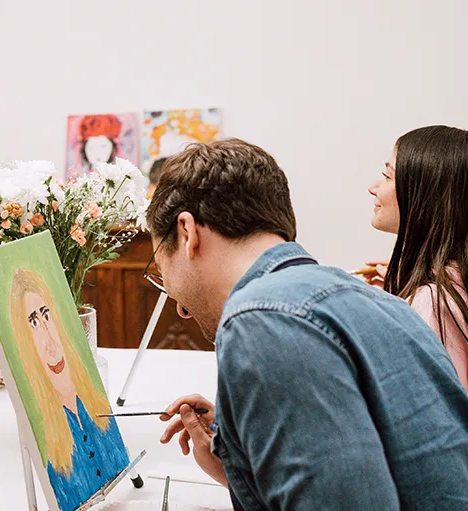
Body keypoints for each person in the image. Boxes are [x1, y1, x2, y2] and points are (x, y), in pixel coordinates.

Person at [145, 139, 468, 509]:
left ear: (187, 233)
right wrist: (239, 451)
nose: (176, 302)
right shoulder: (381, 303)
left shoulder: (262, 318)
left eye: (160, 267)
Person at [8, 269, 129, 511]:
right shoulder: (49, 436)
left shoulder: (94, 406)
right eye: (33, 323)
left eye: (46, 316)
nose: (51, 343)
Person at [363, 125, 468, 390]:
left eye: (388, 176)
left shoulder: (434, 303)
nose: (373, 188)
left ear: (425, 196)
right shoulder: (449, 289)